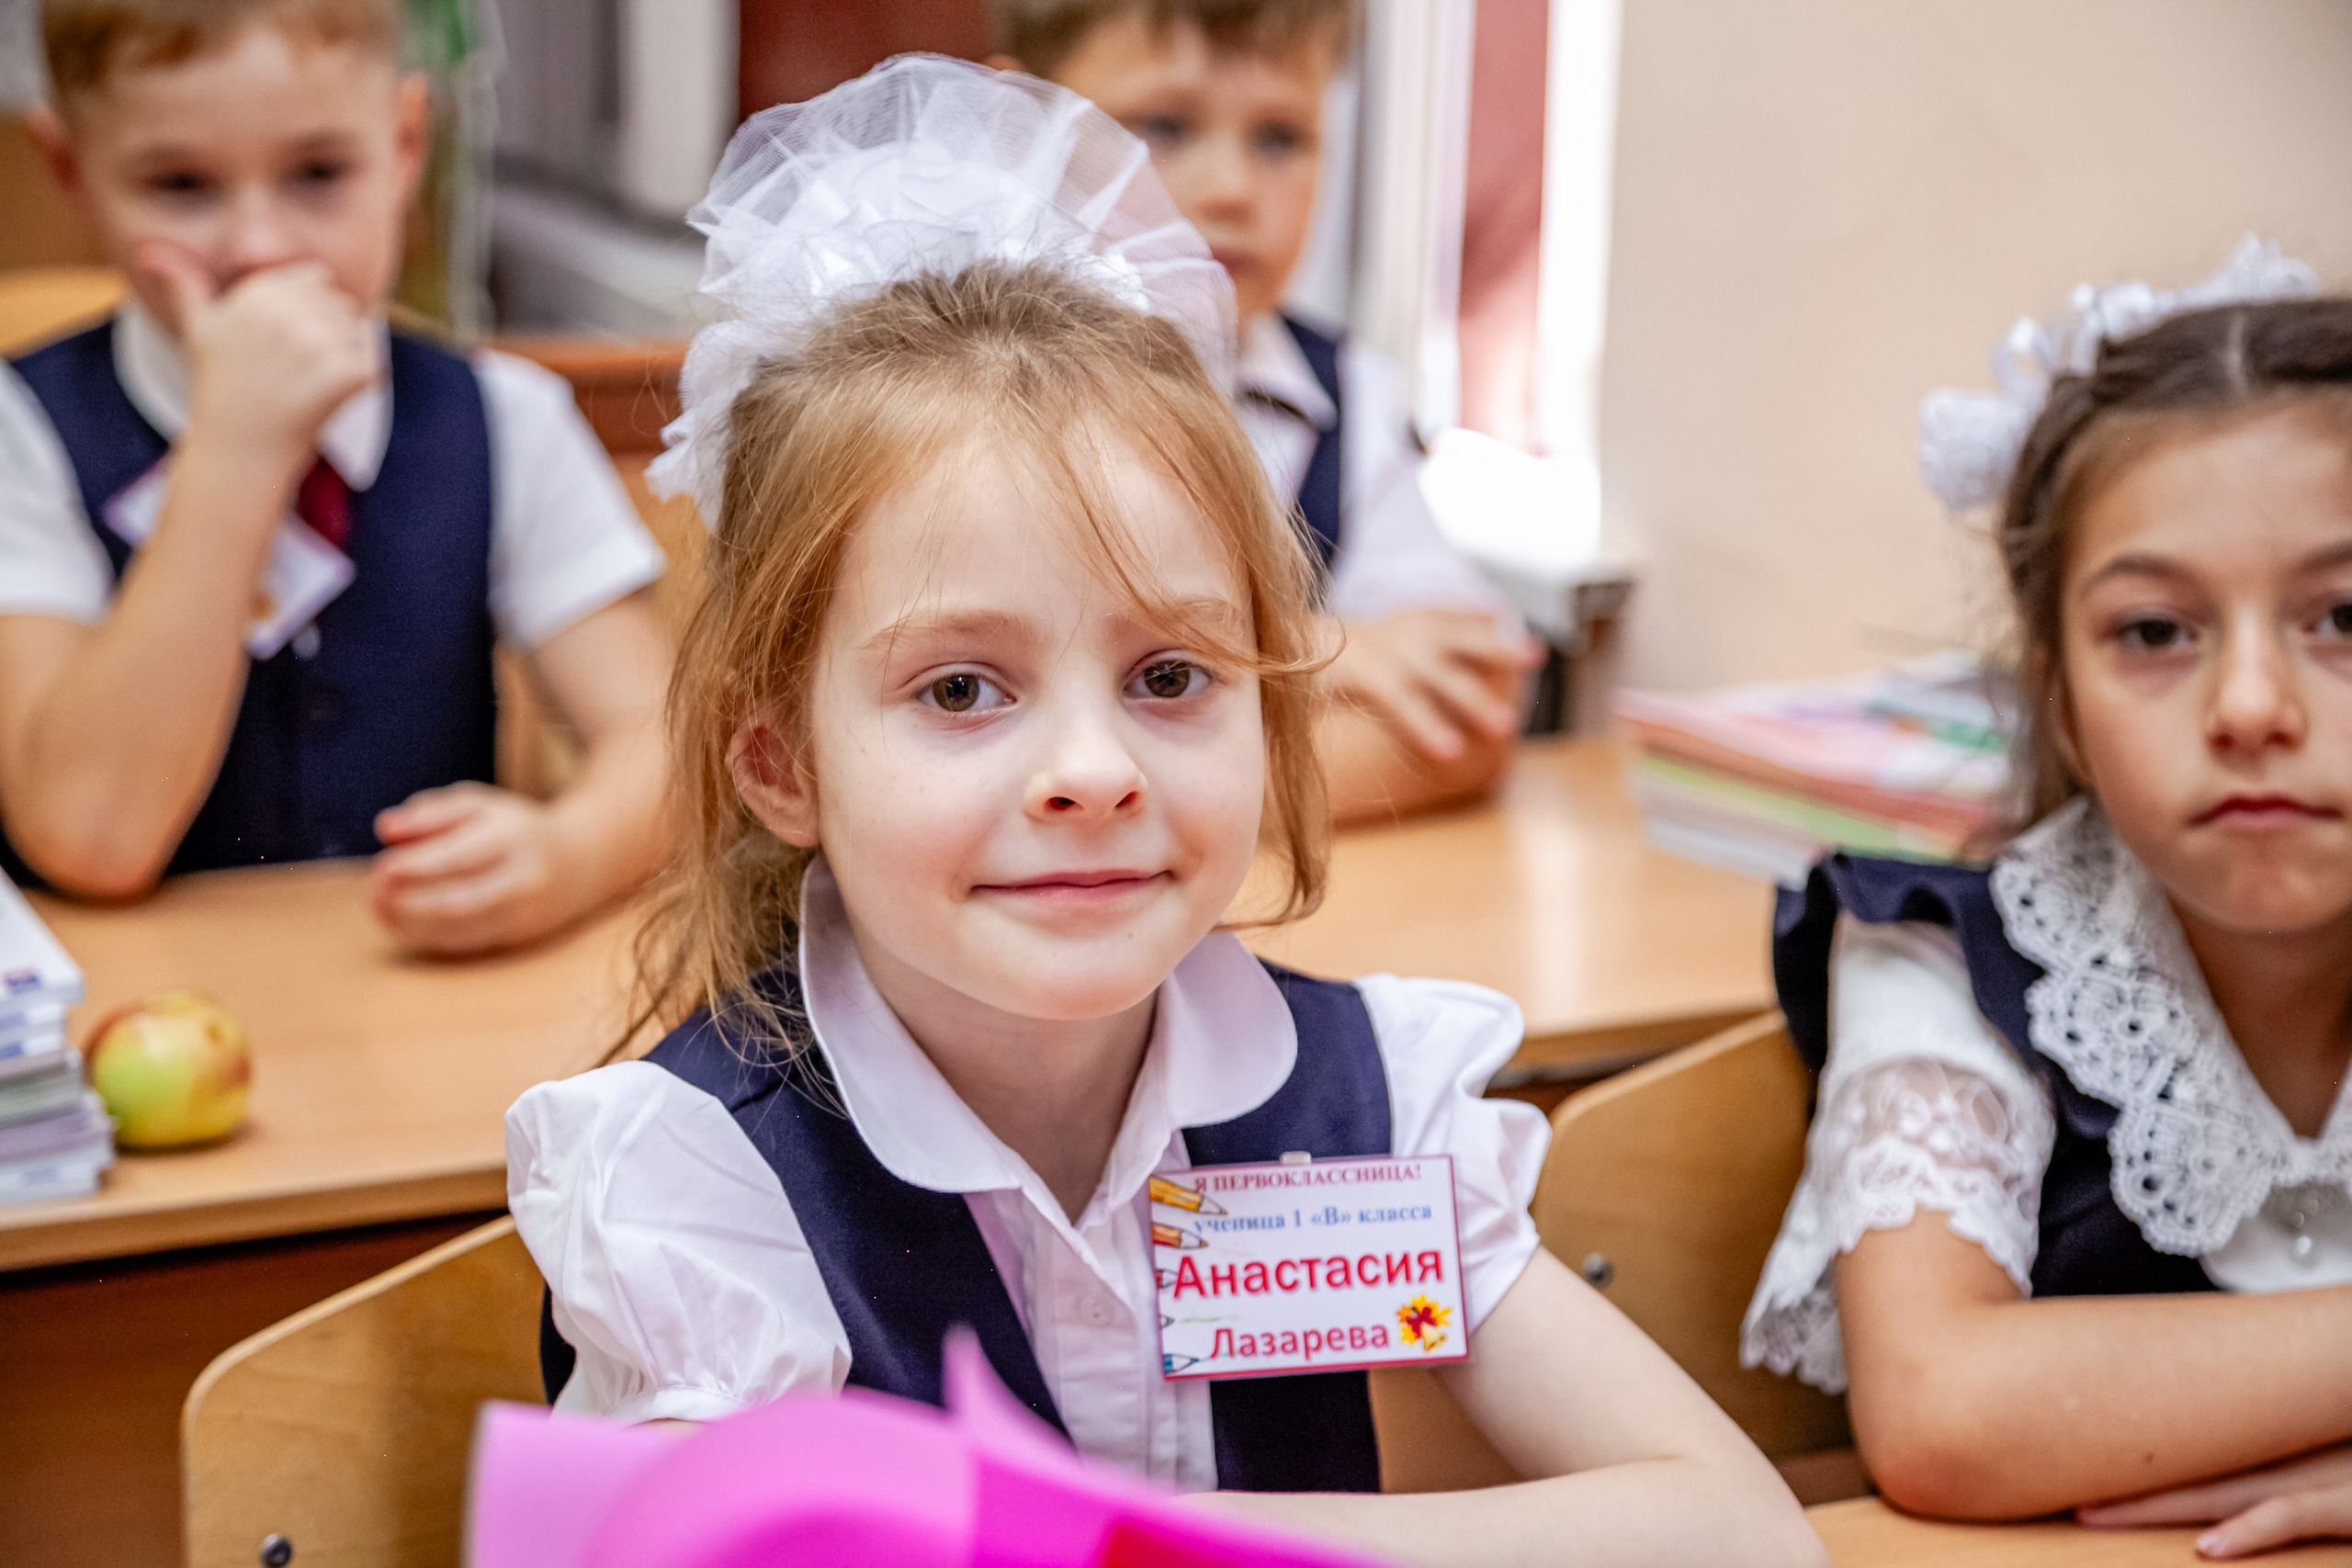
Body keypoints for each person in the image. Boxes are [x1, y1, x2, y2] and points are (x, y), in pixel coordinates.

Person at [507, 59, 1821, 1568]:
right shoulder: (703, 1187)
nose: (1096, 767)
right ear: (780, 762)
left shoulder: (1356, 1110)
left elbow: (1733, 1530)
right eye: (960, 690)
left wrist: (1136, 1540)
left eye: (1171, 671)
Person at [1740, 239, 2352, 1556]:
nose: (2253, 707)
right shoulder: (1942, 957)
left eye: (2344, 616)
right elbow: (1946, 1410)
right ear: (2059, 695)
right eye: (2154, 632)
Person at [0, 0, 674, 954]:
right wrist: (237, 447)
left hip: (414, 1025)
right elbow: (90, 836)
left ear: (404, 145)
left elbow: (666, 744)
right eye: (180, 184)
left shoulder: (502, 417)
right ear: (71, 170)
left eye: (318, 173)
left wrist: (566, 854)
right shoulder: (21, 430)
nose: (259, 246)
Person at [995, 0, 1542, 825]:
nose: (1233, 190)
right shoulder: (927, 390)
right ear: (1013, 126)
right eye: (1166, 127)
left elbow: (1461, 716)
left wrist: (1144, 785)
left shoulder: (1347, 393)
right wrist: (1309, 656)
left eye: (1280, 137)